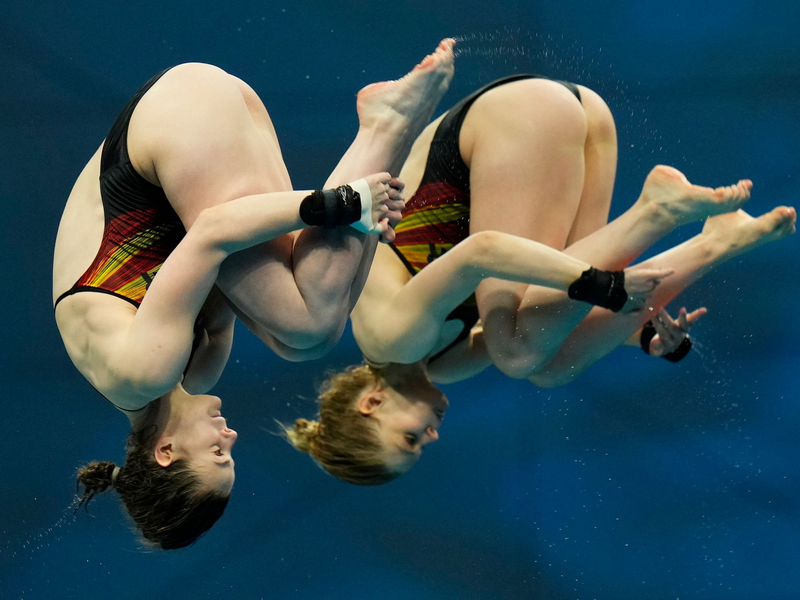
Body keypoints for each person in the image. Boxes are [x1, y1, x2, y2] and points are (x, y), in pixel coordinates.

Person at [283, 75, 796, 485]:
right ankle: (716, 241)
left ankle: (658, 212)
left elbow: (483, 251)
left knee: (518, 352)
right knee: (549, 364)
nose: (433, 438)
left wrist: (602, 287)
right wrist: (636, 330)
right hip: (576, 118)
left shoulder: (389, 338)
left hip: (509, 122)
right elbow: (555, 319)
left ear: (371, 404)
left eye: (411, 440)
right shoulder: (443, 364)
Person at [53, 40, 456, 548]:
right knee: (304, 337)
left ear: (165, 452)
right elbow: (251, 255)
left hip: (178, 119)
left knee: (306, 325)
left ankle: (388, 126)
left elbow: (215, 230)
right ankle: (387, 132)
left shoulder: (141, 372)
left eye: (219, 454)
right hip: (195, 122)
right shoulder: (192, 372)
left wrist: (340, 203)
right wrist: (364, 224)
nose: (232, 437)